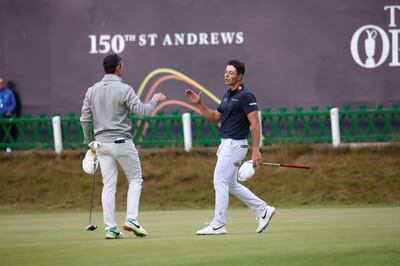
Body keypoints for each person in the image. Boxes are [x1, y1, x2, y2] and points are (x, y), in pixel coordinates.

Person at [80, 54, 166, 239]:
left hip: (101, 144)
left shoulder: (91, 90)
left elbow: (85, 119)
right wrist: (155, 99)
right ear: (118, 68)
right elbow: (143, 112)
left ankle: (110, 228)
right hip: (121, 142)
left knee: (108, 186)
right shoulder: (124, 89)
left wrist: (90, 141)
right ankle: (131, 220)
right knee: (135, 179)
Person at [185, 59, 275, 235]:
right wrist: (199, 104)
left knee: (219, 180)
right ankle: (263, 209)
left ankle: (218, 224)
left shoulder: (246, 96)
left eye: (231, 72)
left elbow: (255, 123)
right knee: (231, 184)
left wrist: (256, 150)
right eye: (226, 71)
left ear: (240, 76)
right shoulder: (227, 95)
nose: (226, 74)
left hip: (235, 145)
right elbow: (214, 117)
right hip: (225, 144)